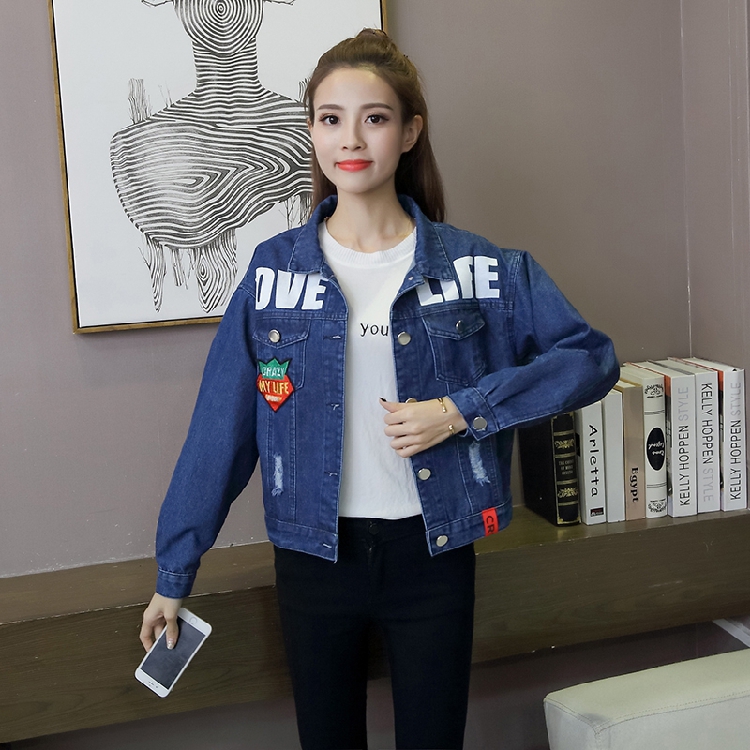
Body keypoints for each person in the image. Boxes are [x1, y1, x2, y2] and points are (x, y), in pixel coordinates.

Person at [140, 28, 619, 750]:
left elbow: (591, 358)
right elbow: (220, 429)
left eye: (375, 118)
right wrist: (174, 572)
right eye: (331, 119)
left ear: (409, 132)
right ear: (311, 132)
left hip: (433, 554)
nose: (351, 139)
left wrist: (461, 411)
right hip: (313, 559)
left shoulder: (480, 268)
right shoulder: (274, 273)